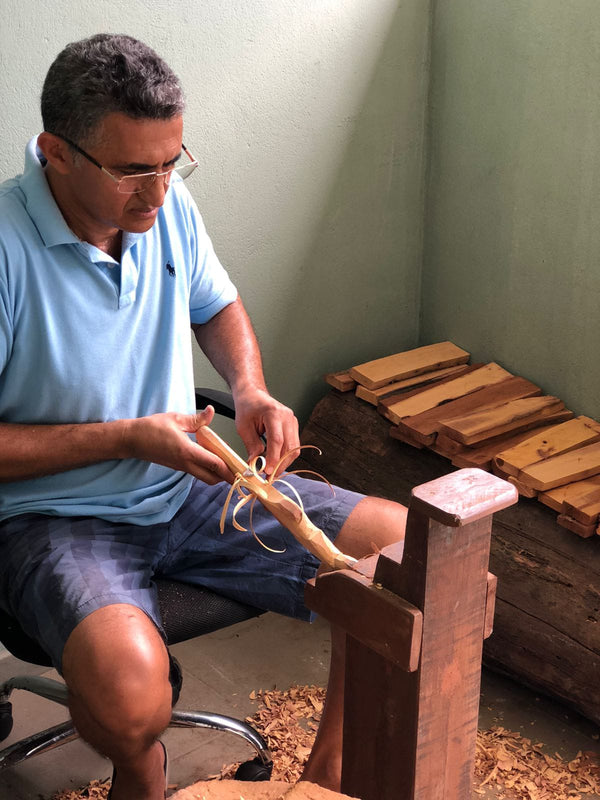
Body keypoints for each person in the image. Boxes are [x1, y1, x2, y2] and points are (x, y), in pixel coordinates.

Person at [0, 34, 407, 800]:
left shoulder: (166, 204)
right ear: (56, 152)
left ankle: (329, 773)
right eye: (132, 171)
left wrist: (250, 390)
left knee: (401, 559)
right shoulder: (3, 249)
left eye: (172, 162)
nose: (158, 195)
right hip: (55, 517)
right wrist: (127, 438)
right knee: (131, 704)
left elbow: (215, 304)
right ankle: (140, 764)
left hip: (190, 486)